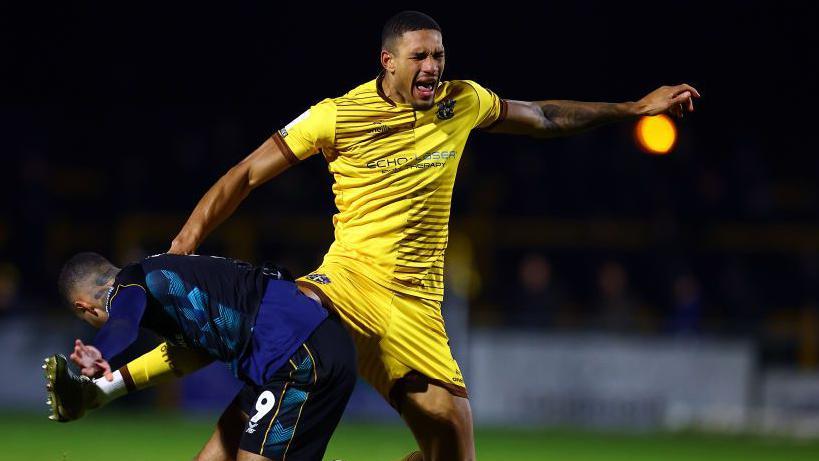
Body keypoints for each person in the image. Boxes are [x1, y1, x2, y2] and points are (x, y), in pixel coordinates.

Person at [99, 10, 699, 461]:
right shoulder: (338, 114)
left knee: (453, 446)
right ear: (387, 60)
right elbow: (246, 174)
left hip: (417, 309)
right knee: (273, 356)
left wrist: (630, 109)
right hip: (348, 286)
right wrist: (183, 246)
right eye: (420, 56)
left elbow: (541, 116)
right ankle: (107, 384)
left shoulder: (462, 102)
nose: (434, 67)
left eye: (439, 55)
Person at [46, 252, 356, 461]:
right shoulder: (165, 280)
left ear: (83, 307)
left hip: (298, 354)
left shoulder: (129, 285)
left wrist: (100, 351)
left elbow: (123, 323)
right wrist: (101, 392)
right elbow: (186, 356)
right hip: (282, 359)